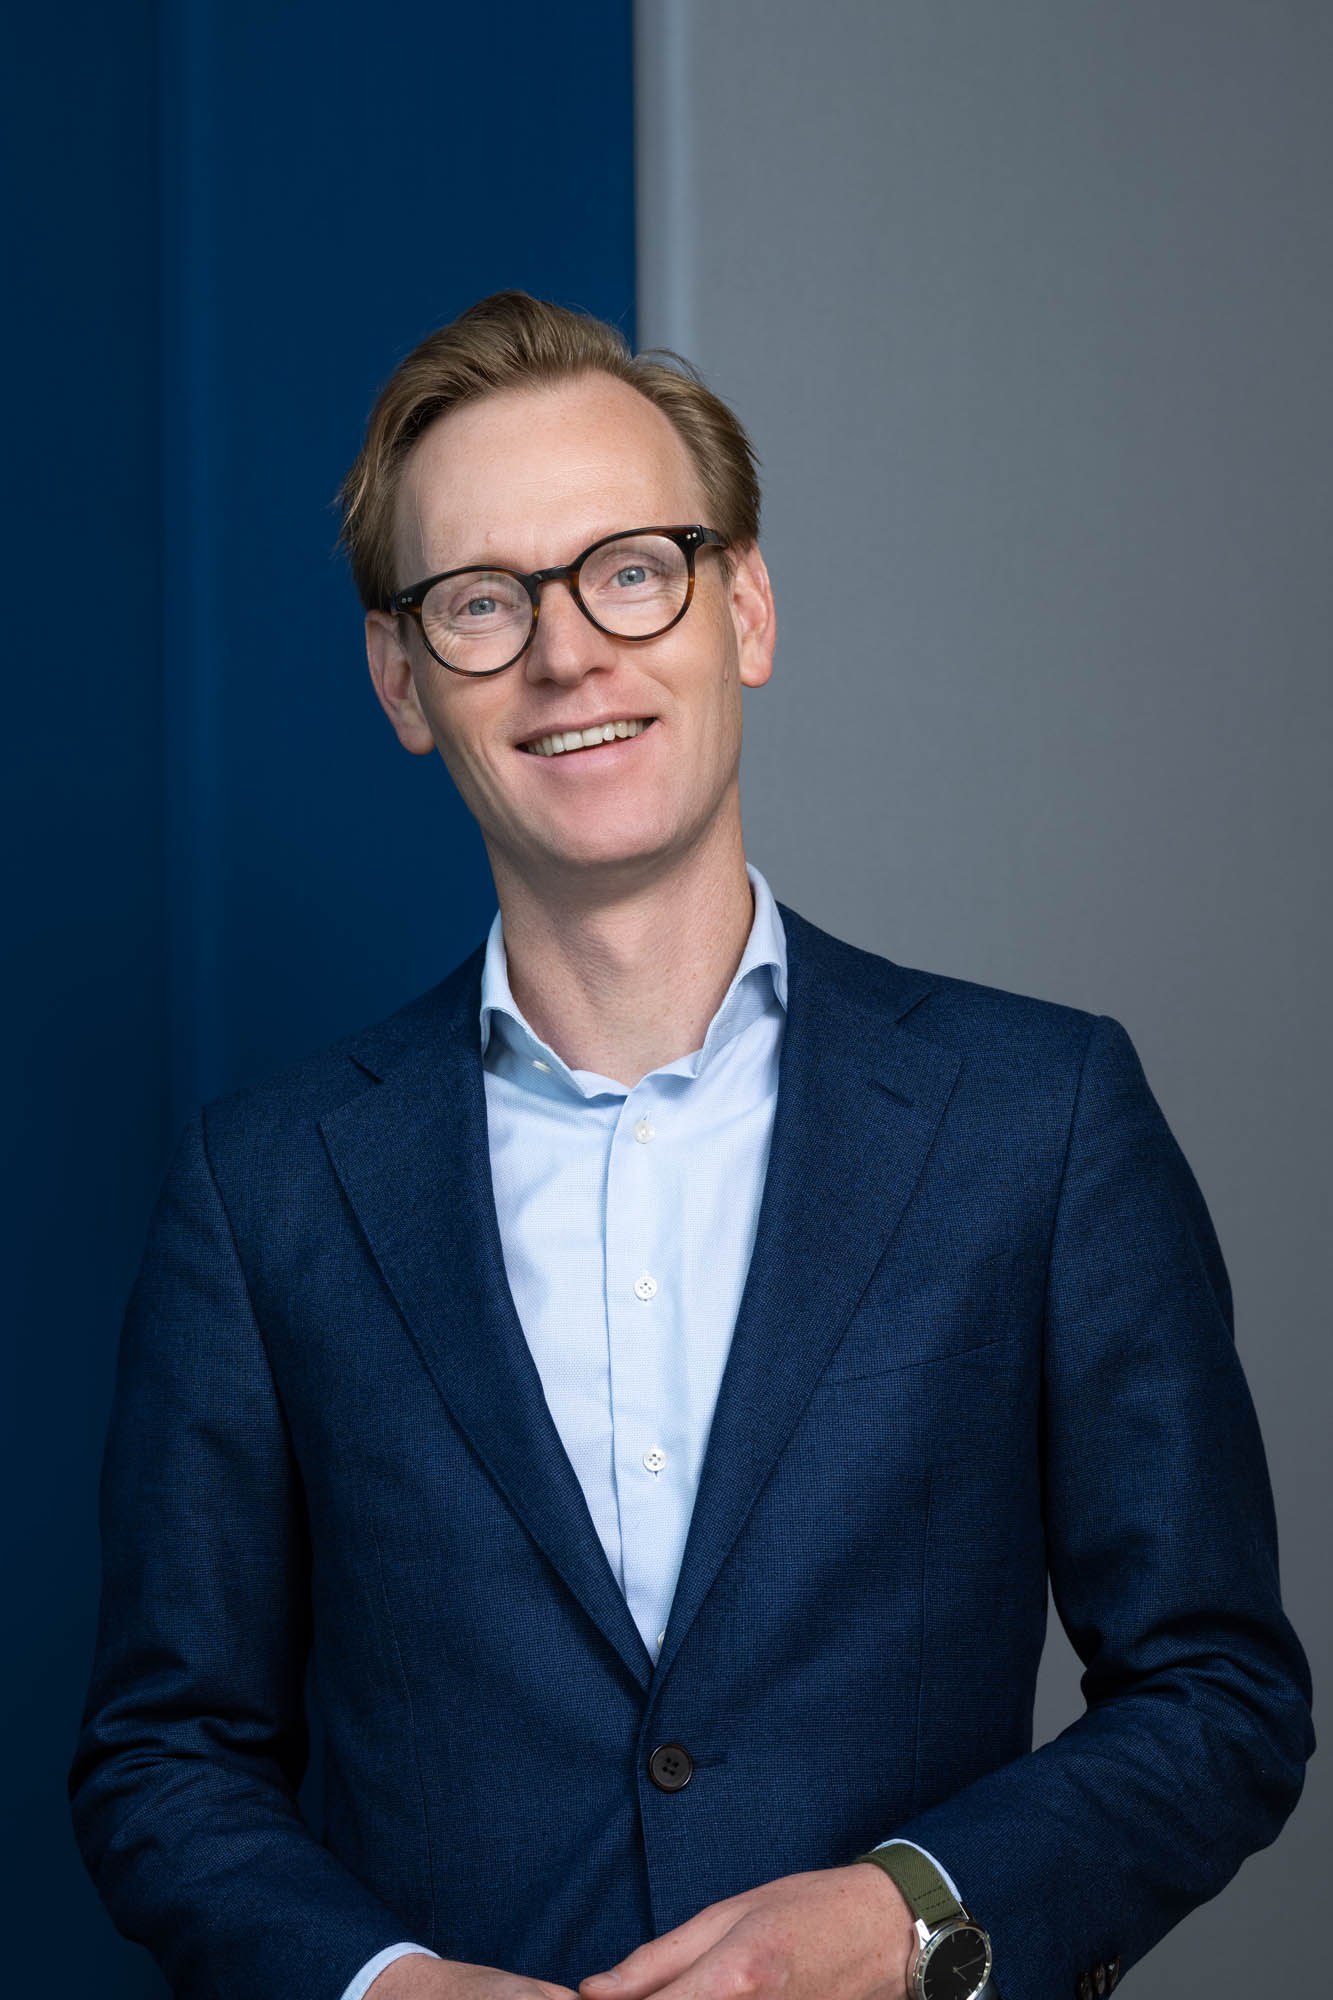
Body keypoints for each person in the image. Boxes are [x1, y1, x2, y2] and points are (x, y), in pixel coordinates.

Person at [70, 291, 1313, 2000]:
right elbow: (163, 1758)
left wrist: (904, 1918)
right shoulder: (263, 1190)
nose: (567, 651)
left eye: (631, 570)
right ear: (402, 681)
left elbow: (1218, 1695)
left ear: (745, 610)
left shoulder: (1039, 1117)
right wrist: (384, 1986)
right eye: (481, 600)